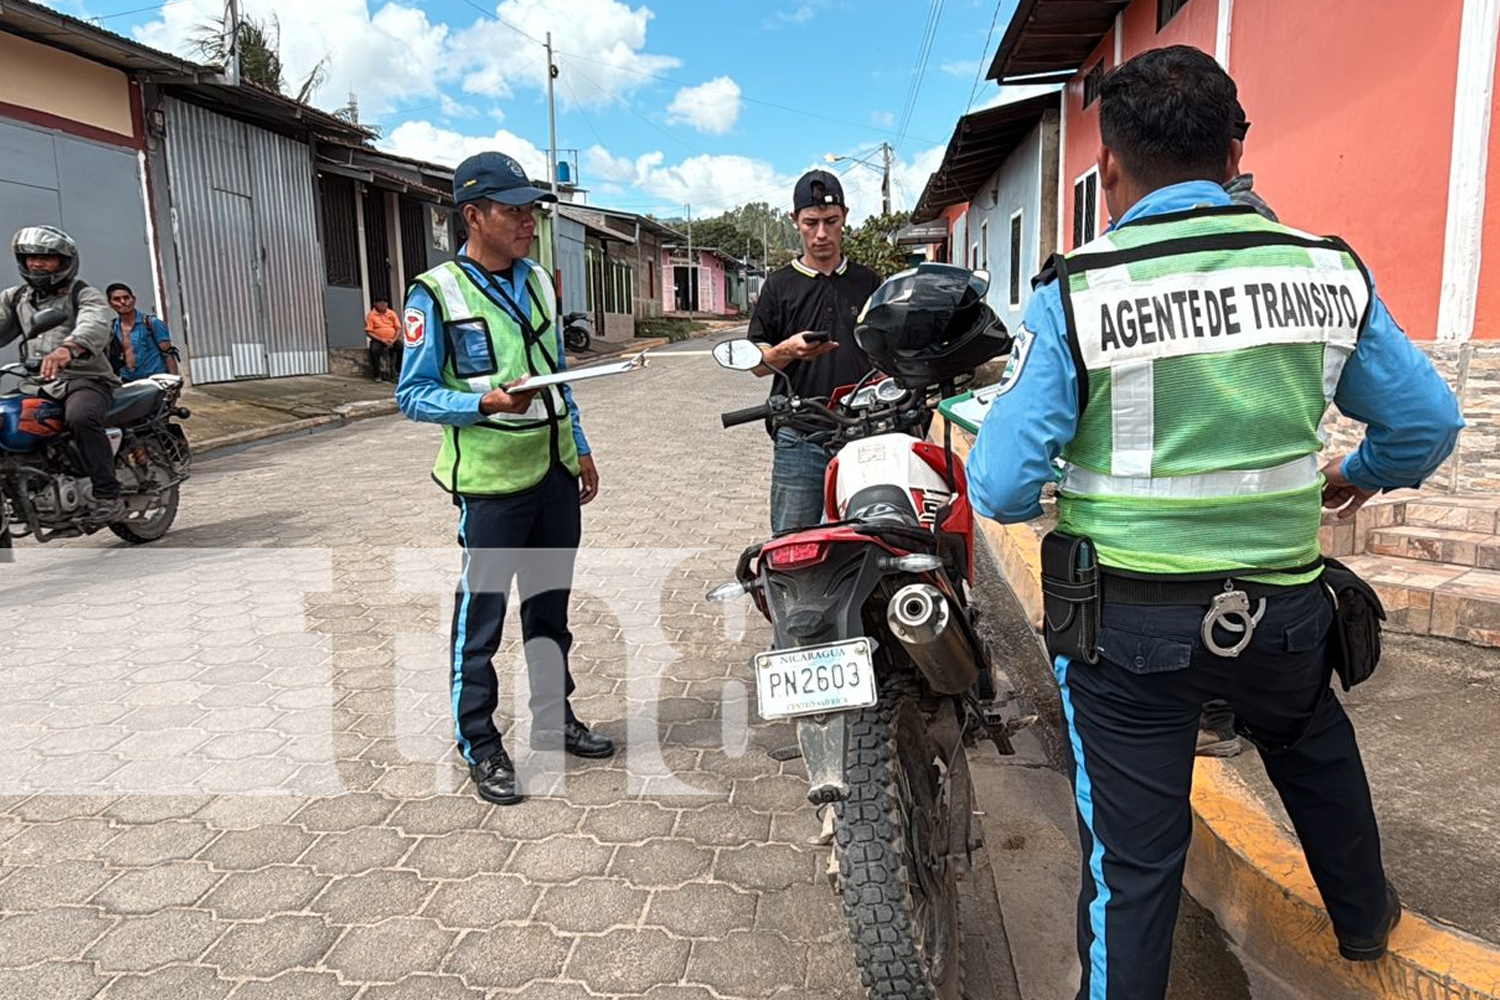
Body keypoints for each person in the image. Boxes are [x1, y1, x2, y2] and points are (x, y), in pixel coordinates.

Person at [965, 46, 1463, 1000]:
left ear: (1107, 165)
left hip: (1129, 636)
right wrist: (1354, 474)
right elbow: (1428, 424)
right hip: (1282, 613)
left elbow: (998, 485)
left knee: (1133, 860)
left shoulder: (1081, 285)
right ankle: (1365, 924)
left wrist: (1057, 499)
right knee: (1313, 742)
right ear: (1238, 151)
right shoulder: (1326, 270)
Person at [397, 150, 610, 807]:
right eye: (513, 210)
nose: (527, 221)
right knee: (481, 619)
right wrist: (482, 403)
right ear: (473, 215)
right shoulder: (435, 294)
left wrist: (579, 448)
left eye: (531, 210)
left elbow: (558, 377)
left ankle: (554, 716)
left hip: (550, 472)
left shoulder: (542, 283)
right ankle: (480, 744)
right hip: (490, 484)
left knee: (550, 608)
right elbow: (413, 395)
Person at [1197, 98, 1276, 760]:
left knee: (1223, 588)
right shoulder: (1264, 224)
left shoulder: (1236, 223)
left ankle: (1220, 717)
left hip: (1224, 435)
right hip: (1238, 433)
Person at [747, 170, 882, 533]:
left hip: (862, 431)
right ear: (795, 221)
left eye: (830, 221)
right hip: (798, 434)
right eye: (811, 222)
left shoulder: (868, 282)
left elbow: (887, 353)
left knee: (867, 540)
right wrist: (788, 350)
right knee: (793, 545)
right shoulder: (778, 286)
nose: (821, 233)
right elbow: (758, 365)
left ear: (844, 218)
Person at [0, 226, 124, 524]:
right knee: (9, 419)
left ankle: (108, 495)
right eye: (30, 257)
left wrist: (69, 348)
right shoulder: (16, 298)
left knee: (81, 417)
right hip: (37, 384)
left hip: (85, 379)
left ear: (64, 261)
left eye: (47, 258)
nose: (37, 264)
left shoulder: (83, 293)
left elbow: (95, 322)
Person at [105, 282, 180, 381]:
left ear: (134, 299)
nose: (123, 302)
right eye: (116, 299)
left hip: (156, 382)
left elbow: (168, 353)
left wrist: (174, 382)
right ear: (110, 304)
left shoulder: (151, 323)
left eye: (126, 297)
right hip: (128, 382)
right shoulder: (111, 328)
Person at [365, 297, 401, 382]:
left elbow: (398, 328)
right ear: (375, 303)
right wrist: (382, 340)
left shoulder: (392, 313)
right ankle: (377, 374)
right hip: (379, 340)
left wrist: (394, 340)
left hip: (392, 339)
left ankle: (398, 372)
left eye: (385, 302)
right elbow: (369, 332)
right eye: (380, 302)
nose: (383, 304)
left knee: (401, 347)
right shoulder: (371, 315)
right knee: (374, 349)